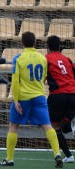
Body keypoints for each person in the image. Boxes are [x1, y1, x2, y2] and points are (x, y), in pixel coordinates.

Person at [0, 32, 63, 168]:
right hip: (39, 97)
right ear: (35, 43)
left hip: (23, 98)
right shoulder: (42, 58)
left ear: (22, 43)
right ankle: (57, 153)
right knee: (47, 126)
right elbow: (44, 76)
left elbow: (15, 82)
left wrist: (16, 100)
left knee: (13, 126)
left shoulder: (19, 58)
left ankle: (9, 159)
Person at [46, 35, 75, 163]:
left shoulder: (46, 59)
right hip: (73, 94)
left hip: (58, 95)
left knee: (54, 126)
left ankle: (69, 156)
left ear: (47, 47)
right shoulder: (67, 59)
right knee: (65, 124)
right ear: (59, 47)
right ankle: (71, 126)